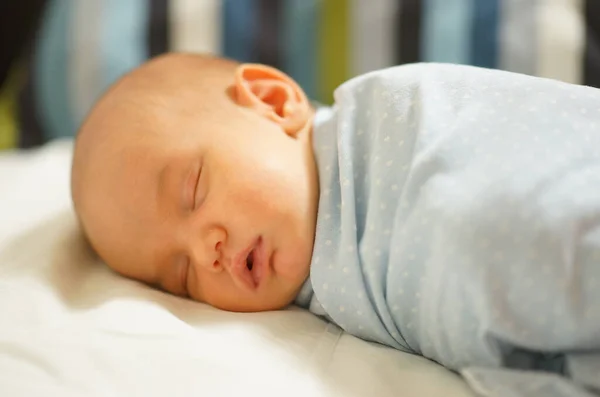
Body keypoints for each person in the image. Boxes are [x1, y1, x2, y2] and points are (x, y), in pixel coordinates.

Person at [71, 52, 600, 396]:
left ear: (273, 102)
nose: (204, 250)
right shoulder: (322, 301)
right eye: (180, 274)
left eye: (192, 190)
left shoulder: (390, 119)